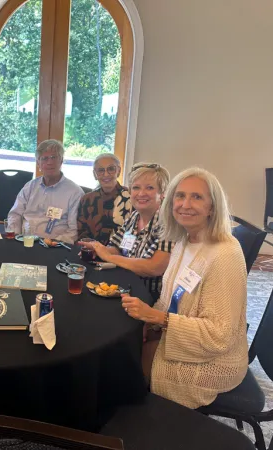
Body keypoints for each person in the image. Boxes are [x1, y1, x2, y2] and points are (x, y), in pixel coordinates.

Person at [121, 167, 248, 409]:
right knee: (124, 346)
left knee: (122, 365)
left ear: (212, 207)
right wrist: (153, 323)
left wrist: (159, 318)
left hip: (211, 362)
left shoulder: (225, 254)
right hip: (178, 338)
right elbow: (170, 299)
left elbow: (220, 336)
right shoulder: (183, 240)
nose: (185, 204)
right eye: (180, 196)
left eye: (197, 197)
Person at [80, 162, 173, 298]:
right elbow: (118, 248)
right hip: (124, 287)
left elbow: (154, 268)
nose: (141, 193)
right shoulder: (134, 217)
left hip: (148, 298)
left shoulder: (168, 224)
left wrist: (109, 257)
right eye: (136, 188)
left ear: (163, 193)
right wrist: (97, 249)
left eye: (149, 188)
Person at [7, 139, 84, 244]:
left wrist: (54, 244)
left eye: (54, 157)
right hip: (26, 242)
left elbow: (73, 231)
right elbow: (14, 215)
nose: (50, 162)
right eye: (44, 158)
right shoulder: (29, 187)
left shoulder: (75, 192)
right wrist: (16, 237)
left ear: (61, 160)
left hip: (55, 246)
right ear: (38, 163)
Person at [77, 153, 131, 244]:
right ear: (95, 174)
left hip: (121, 255)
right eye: (101, 170)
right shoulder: (87, 199)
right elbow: (81, 232)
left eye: (111, 169)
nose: (106, 174)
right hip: (92, 252)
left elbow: (134, 233)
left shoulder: (131, 197)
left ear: (119, 171)